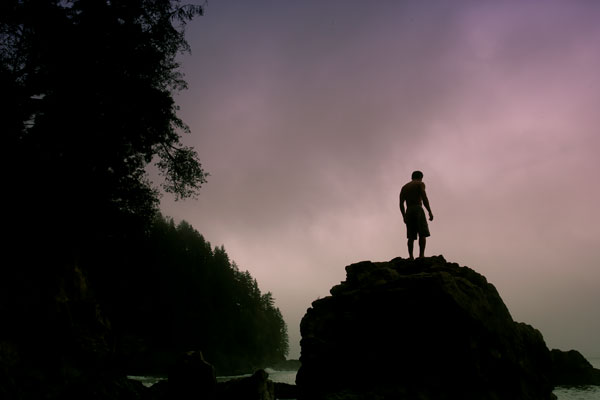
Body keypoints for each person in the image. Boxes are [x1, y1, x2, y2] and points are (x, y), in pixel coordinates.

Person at [399, 170, 433, 259]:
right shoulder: (420, 184)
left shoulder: (404, 187)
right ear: (421, 177)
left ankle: (411, 256)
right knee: (422, 233)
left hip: (409, 210)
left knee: (411, 236)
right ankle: (421, 256)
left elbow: (401, 203)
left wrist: (404, 216)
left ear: (412, 177)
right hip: (418, 208)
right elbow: (424, 198)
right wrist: (429, 211)